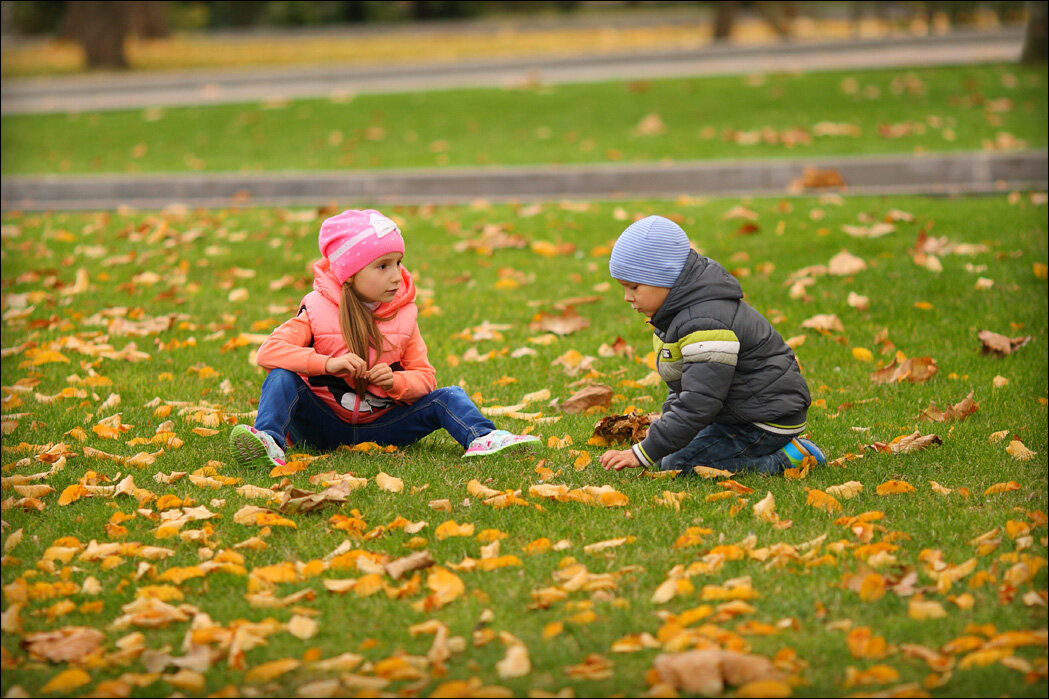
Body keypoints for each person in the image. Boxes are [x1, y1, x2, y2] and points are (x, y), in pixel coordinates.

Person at [230, 209, 539, 469]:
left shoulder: (404, 315)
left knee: (449, 395)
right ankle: (268, 440)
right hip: (320, 424)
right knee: (282, 377)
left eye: (398, 263)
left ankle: (483, 437)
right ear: (349, 274)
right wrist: (327, 363)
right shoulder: (316, 310)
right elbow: (268, 352)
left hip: (384, 428)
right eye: (382, 266)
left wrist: (395, 383)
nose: (396, 276)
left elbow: (425, 378)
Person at [598, 215, 824, 476]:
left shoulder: (704, 322)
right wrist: (662, 436)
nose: (628, 298)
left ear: (665, 277)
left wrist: (644, 452)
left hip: (765, 420)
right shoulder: (673, 316)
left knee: (678, 465)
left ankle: (790, 456)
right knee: (665, 454)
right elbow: (686, 388)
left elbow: (699, 401)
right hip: (736, 413)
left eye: (634, 286)